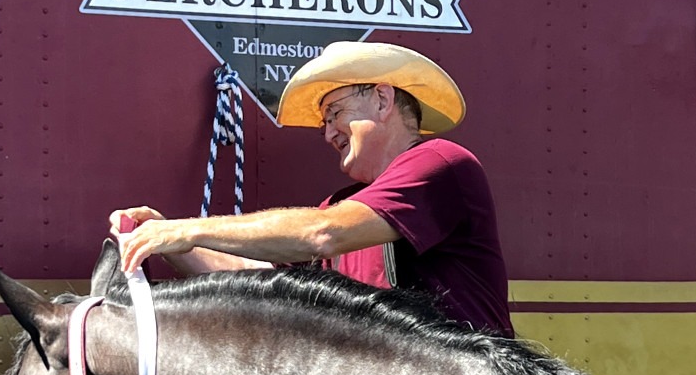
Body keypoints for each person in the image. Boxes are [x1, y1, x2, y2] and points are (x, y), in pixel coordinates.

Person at [111, 40, 513, 336]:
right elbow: (258, 274)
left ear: (383, 100)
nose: (327, 133)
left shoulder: (440, 162)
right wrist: (171, 240)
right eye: (324, 122)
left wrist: (187, 229)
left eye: (335, 113)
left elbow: (322, 234)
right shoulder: (343, 206)